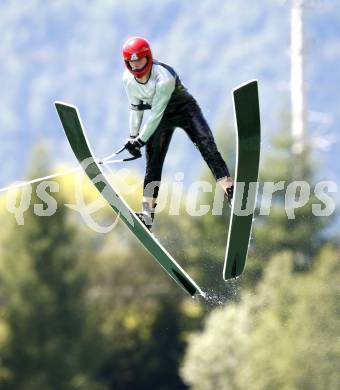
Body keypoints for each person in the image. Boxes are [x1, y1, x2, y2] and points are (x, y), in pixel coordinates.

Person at [121, 36, 234, 230]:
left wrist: (140, 140)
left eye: (140, 60)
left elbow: (155, 113)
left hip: (185, 110)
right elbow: (136, 108)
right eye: (132, 62)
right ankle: (147, 214)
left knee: (207, 147)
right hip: (162, 118)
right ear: (127, 62)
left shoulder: (164, 78)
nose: (137, 65)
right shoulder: (128, 80)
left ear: (148, 57)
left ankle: (231, 191)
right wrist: (132, 136)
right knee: (153, 162)